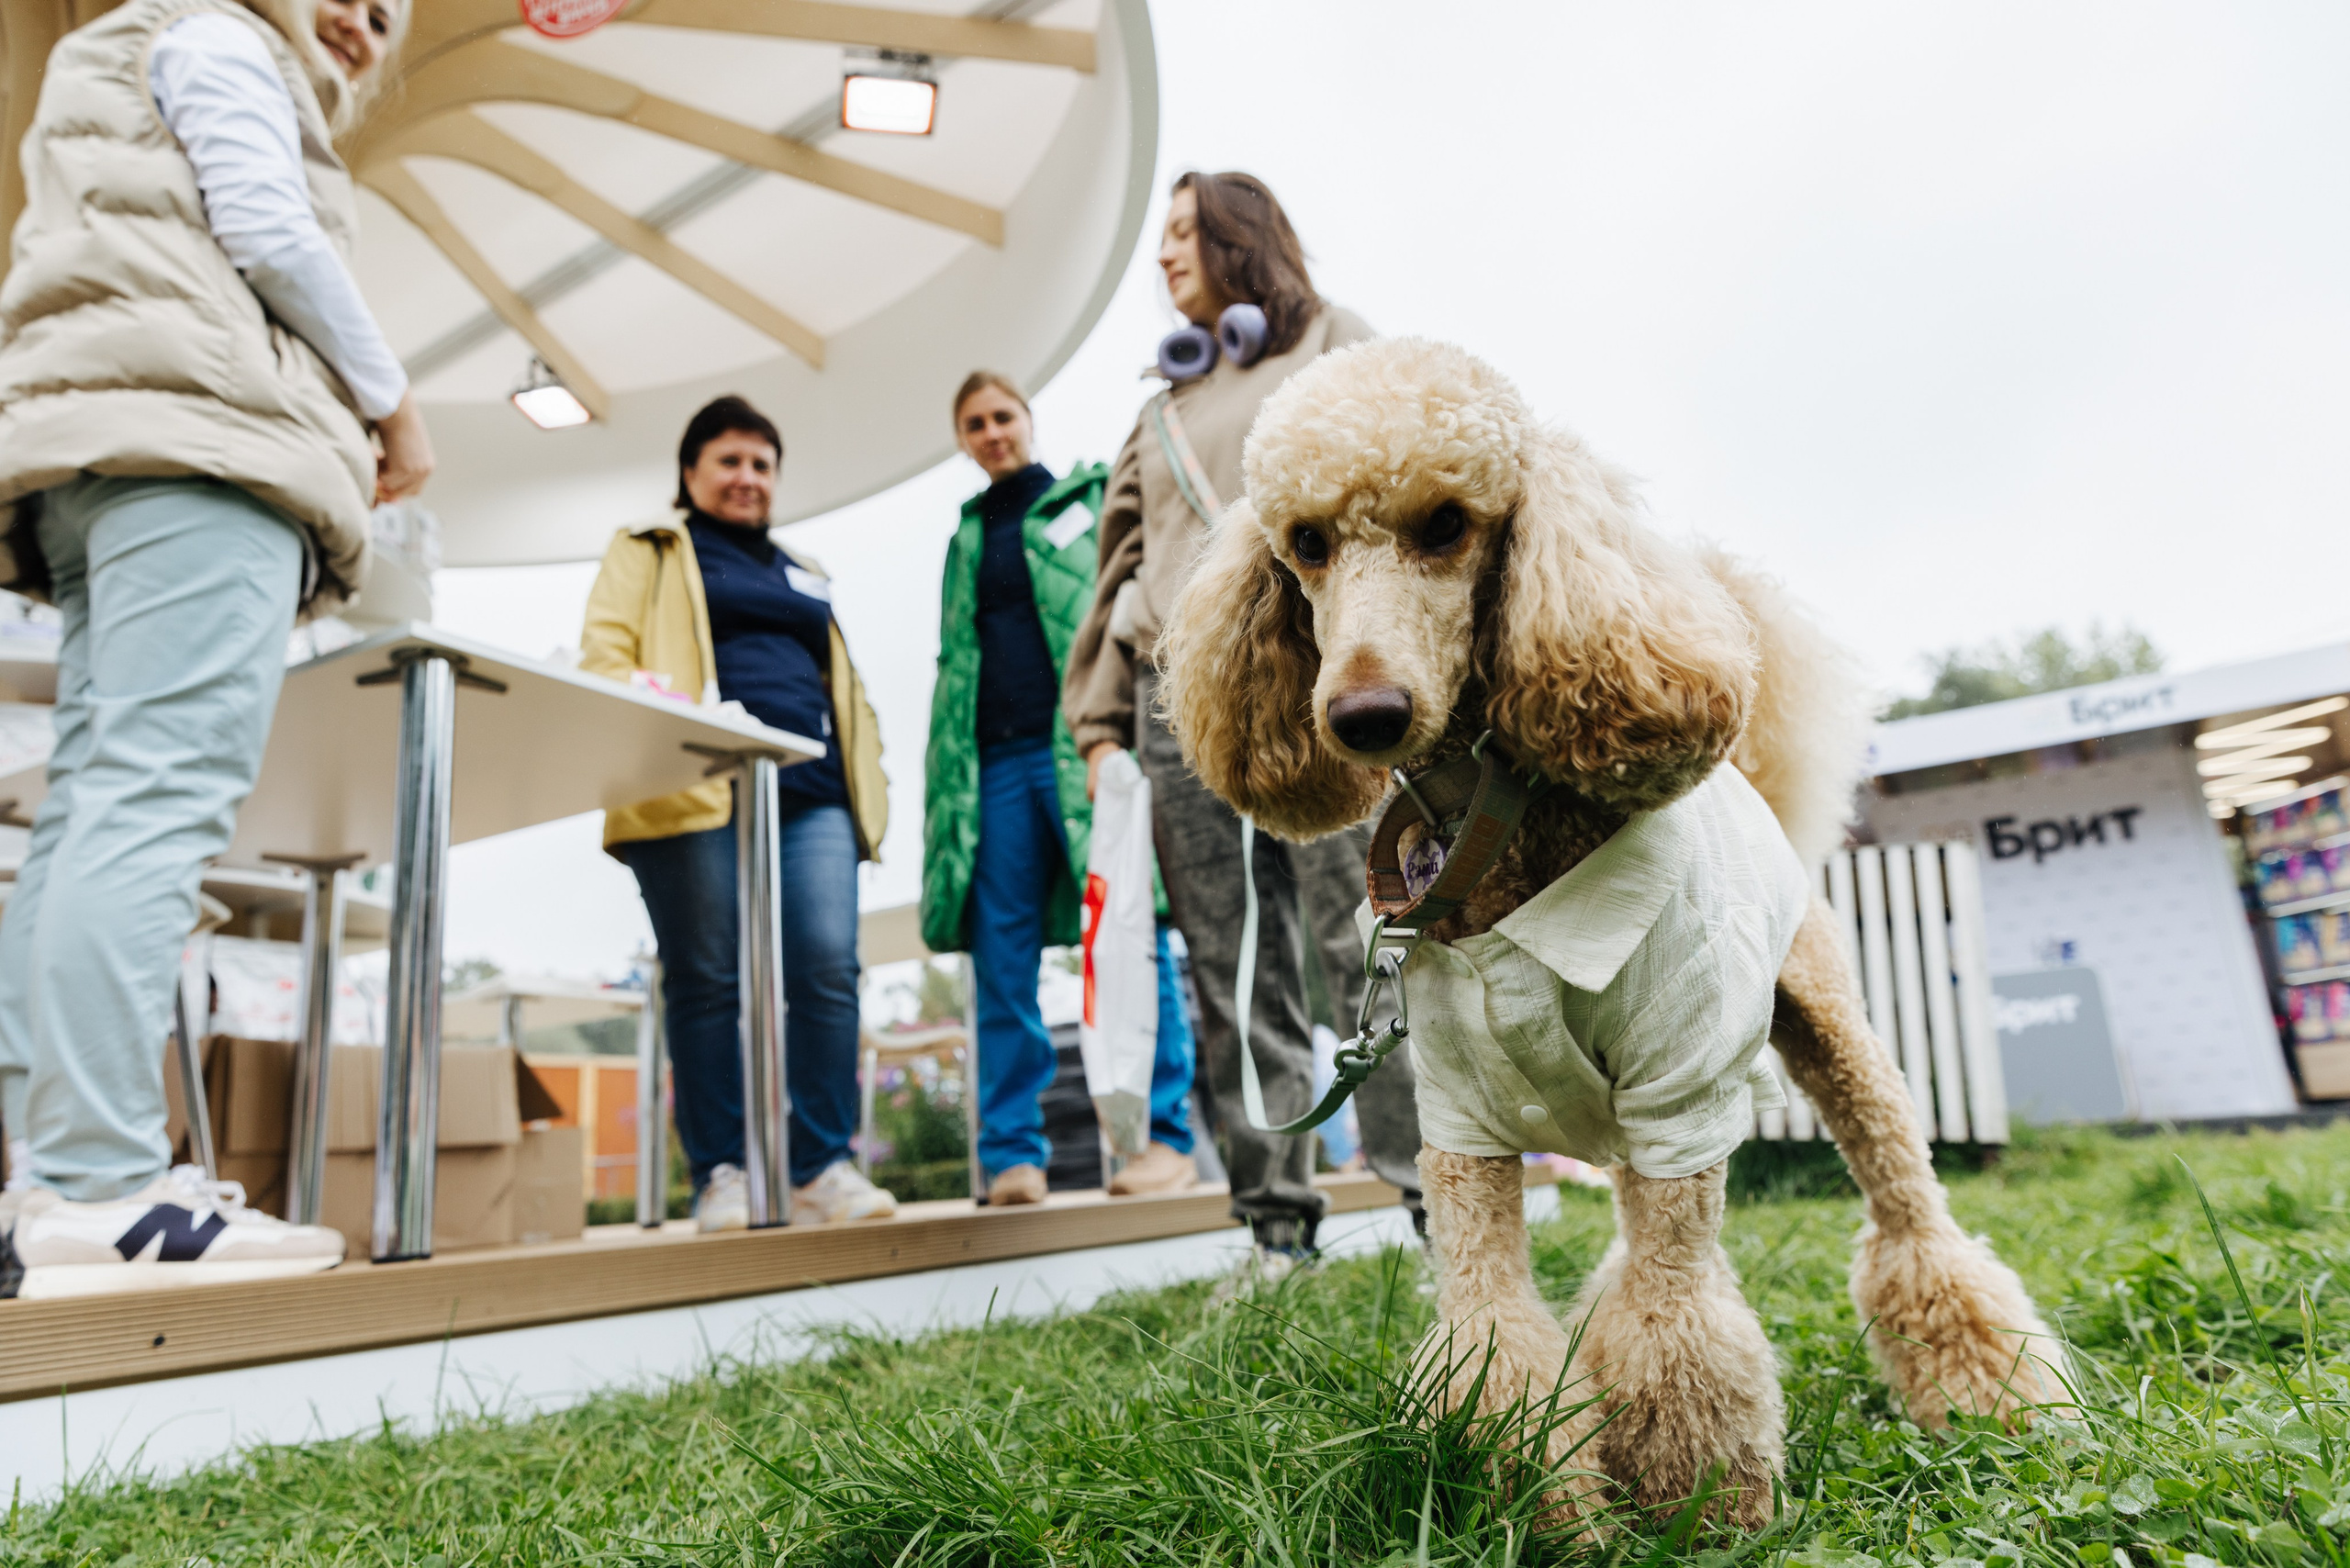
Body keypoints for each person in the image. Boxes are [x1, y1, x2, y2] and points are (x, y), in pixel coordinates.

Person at [0, 0, 431, 1296]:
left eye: (394, 12)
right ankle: (103, 1182)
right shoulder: (217, 35)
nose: (370, 18)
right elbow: (268, 227)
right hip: (198, 451)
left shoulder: (145, 50)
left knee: (94, 807)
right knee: (153, 800)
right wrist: (391, 404)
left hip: (110, 452)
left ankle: (65, 1178)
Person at [1062, 172, 1423, 1266]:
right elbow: (1117, 561)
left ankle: (1434, 1205)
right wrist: (1099, 726)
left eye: (1183, 234)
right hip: (1183, 706)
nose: (1163, 256)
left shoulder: (1333, 345)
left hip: (1328, 690)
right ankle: (1275, 1228)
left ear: (1238, 240)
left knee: (1365, 941)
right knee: (1225, 969)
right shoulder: (1156, 408)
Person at [582, 396, 896, 1231]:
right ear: (690, 473)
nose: (748, 478)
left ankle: (819, 1165)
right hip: (695, 782)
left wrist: (873, 771)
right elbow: (607, 656)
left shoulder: (802, 566)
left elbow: (842, 680)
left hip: (813, 792)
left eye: (762, 464)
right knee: (708, 976)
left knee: (828, 968)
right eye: (729, 461)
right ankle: (720, 1170)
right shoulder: (649, 547)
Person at [921, 372, 1198, 1207]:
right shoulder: (964, 538)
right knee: (1000, 958)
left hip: (1077, 746)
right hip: (992, 765)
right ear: (964, 438)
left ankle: (1162, 1139)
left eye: (1002, 415)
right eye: (974, 422)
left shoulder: (1082, 501)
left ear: (1027, 420)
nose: (992, 431)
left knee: (1122, 933)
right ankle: (1013, 1154)